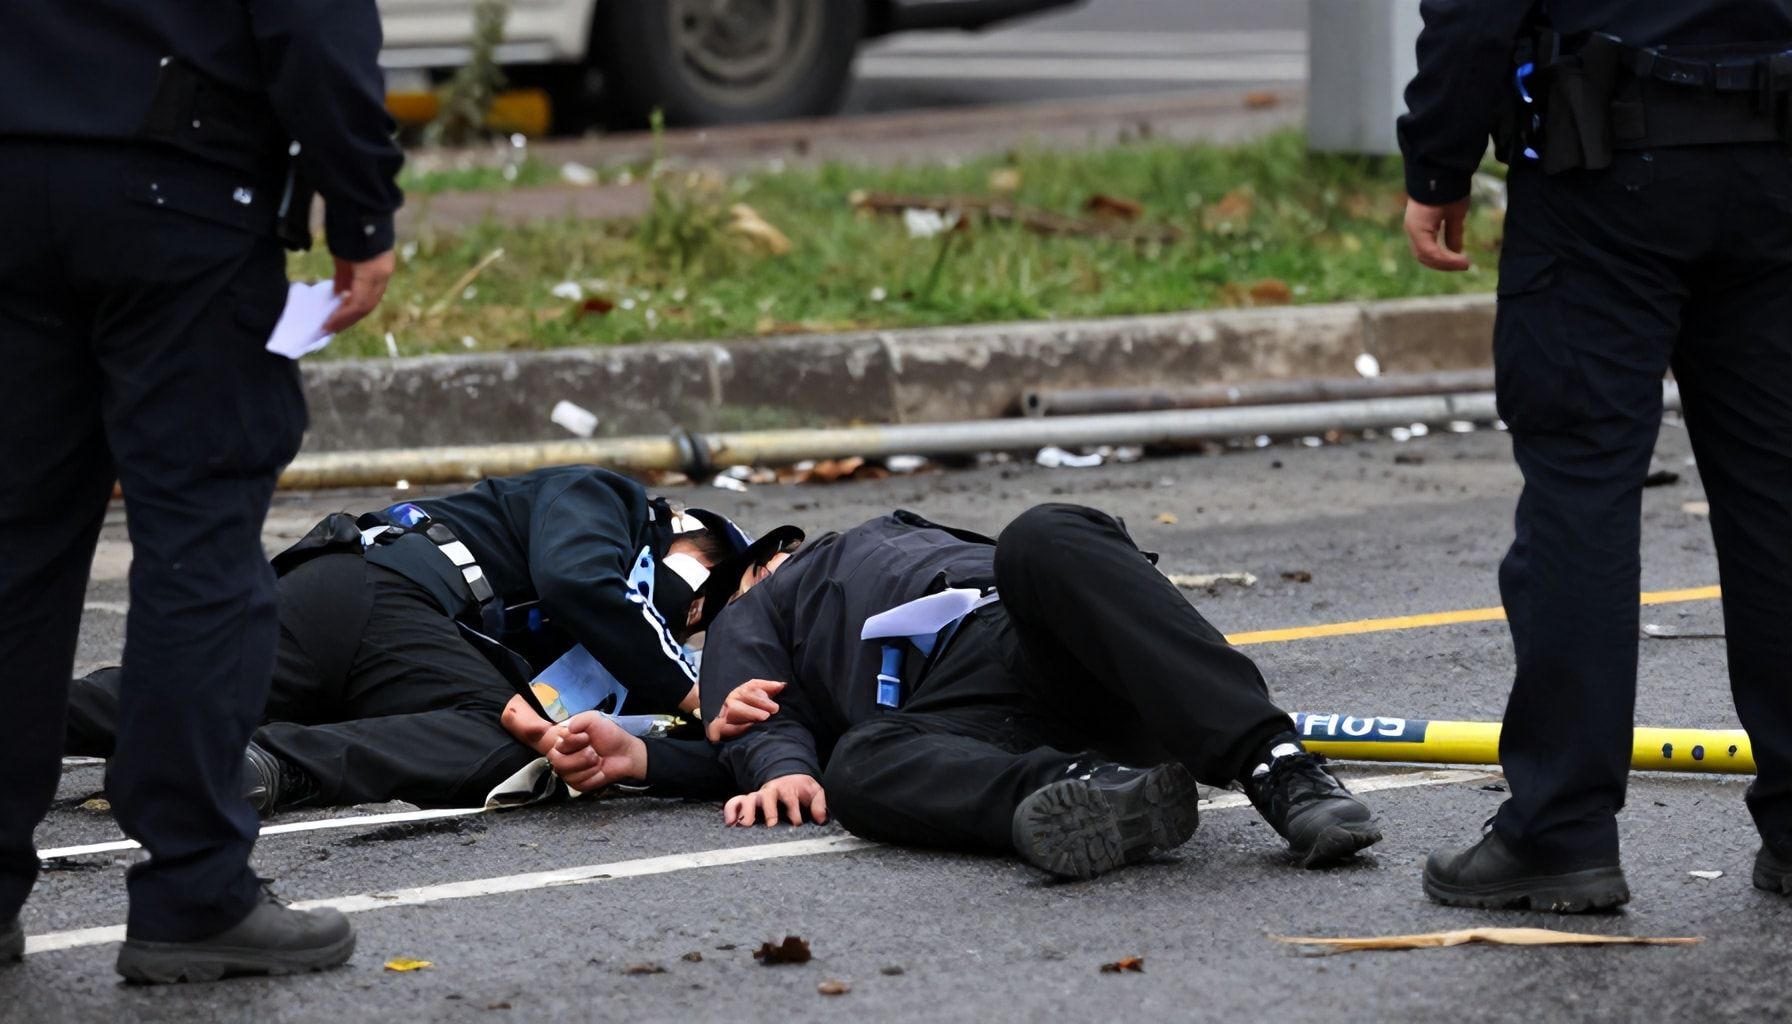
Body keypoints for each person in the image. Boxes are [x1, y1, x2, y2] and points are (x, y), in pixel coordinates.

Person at [0, 0, 403, 983]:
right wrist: (360, 208)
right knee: (200, 544)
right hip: (179, 192)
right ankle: (196, 891)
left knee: (11, 549)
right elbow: (314, 27)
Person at [1400, 1, 1792, 910]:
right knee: (1778, 497)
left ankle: (1560, 832)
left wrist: (1438, 161)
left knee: (1581, 493)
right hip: (1775, 164)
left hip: (1603, 173)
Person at [513, 506, 1382, 880]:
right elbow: (761, 725)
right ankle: (1088, 797)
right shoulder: (758, 612)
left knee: (1049, 533)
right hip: (962, 713)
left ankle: (1281, 772)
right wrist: (708, 762)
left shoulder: (877, 546)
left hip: (1045, 639)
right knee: (863, 765)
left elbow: (750, 731)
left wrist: (667, 761)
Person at [66, 466, 755, 813]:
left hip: (372, 616)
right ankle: (264, 765)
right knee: (494, 746)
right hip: (380, 586)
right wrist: (698, 690)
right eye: (705, 589)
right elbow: (579, 580)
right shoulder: (607, 497)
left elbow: (540, 702)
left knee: (169, 699)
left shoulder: (603, 645)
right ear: (684, 530)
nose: (690, 617)